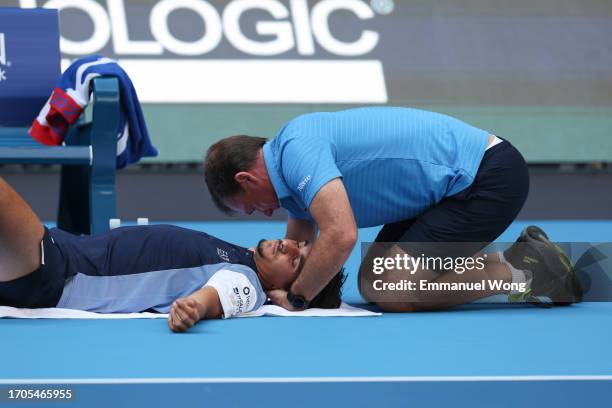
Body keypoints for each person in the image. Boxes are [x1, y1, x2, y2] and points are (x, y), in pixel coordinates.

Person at [204, 106, 582, 311]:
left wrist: (299, 299)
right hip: (450, 189)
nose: (263, 215)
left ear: (246, 179)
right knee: (374, 281)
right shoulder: (289, 160)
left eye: (251, 208)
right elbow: (299, 245)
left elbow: (341, 235)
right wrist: (266, 285)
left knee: (392, 289)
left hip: (486, 179)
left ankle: (525, 271)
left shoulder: (298, 151)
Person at [0, 177, 345, 333]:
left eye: (296, 260)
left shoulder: (248, 282)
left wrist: (193, 308)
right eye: (299, 244)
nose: (289, 245)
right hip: (64, 250)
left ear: (285, 290)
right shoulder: (239, 255)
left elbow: (212, 298)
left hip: (58, 274)